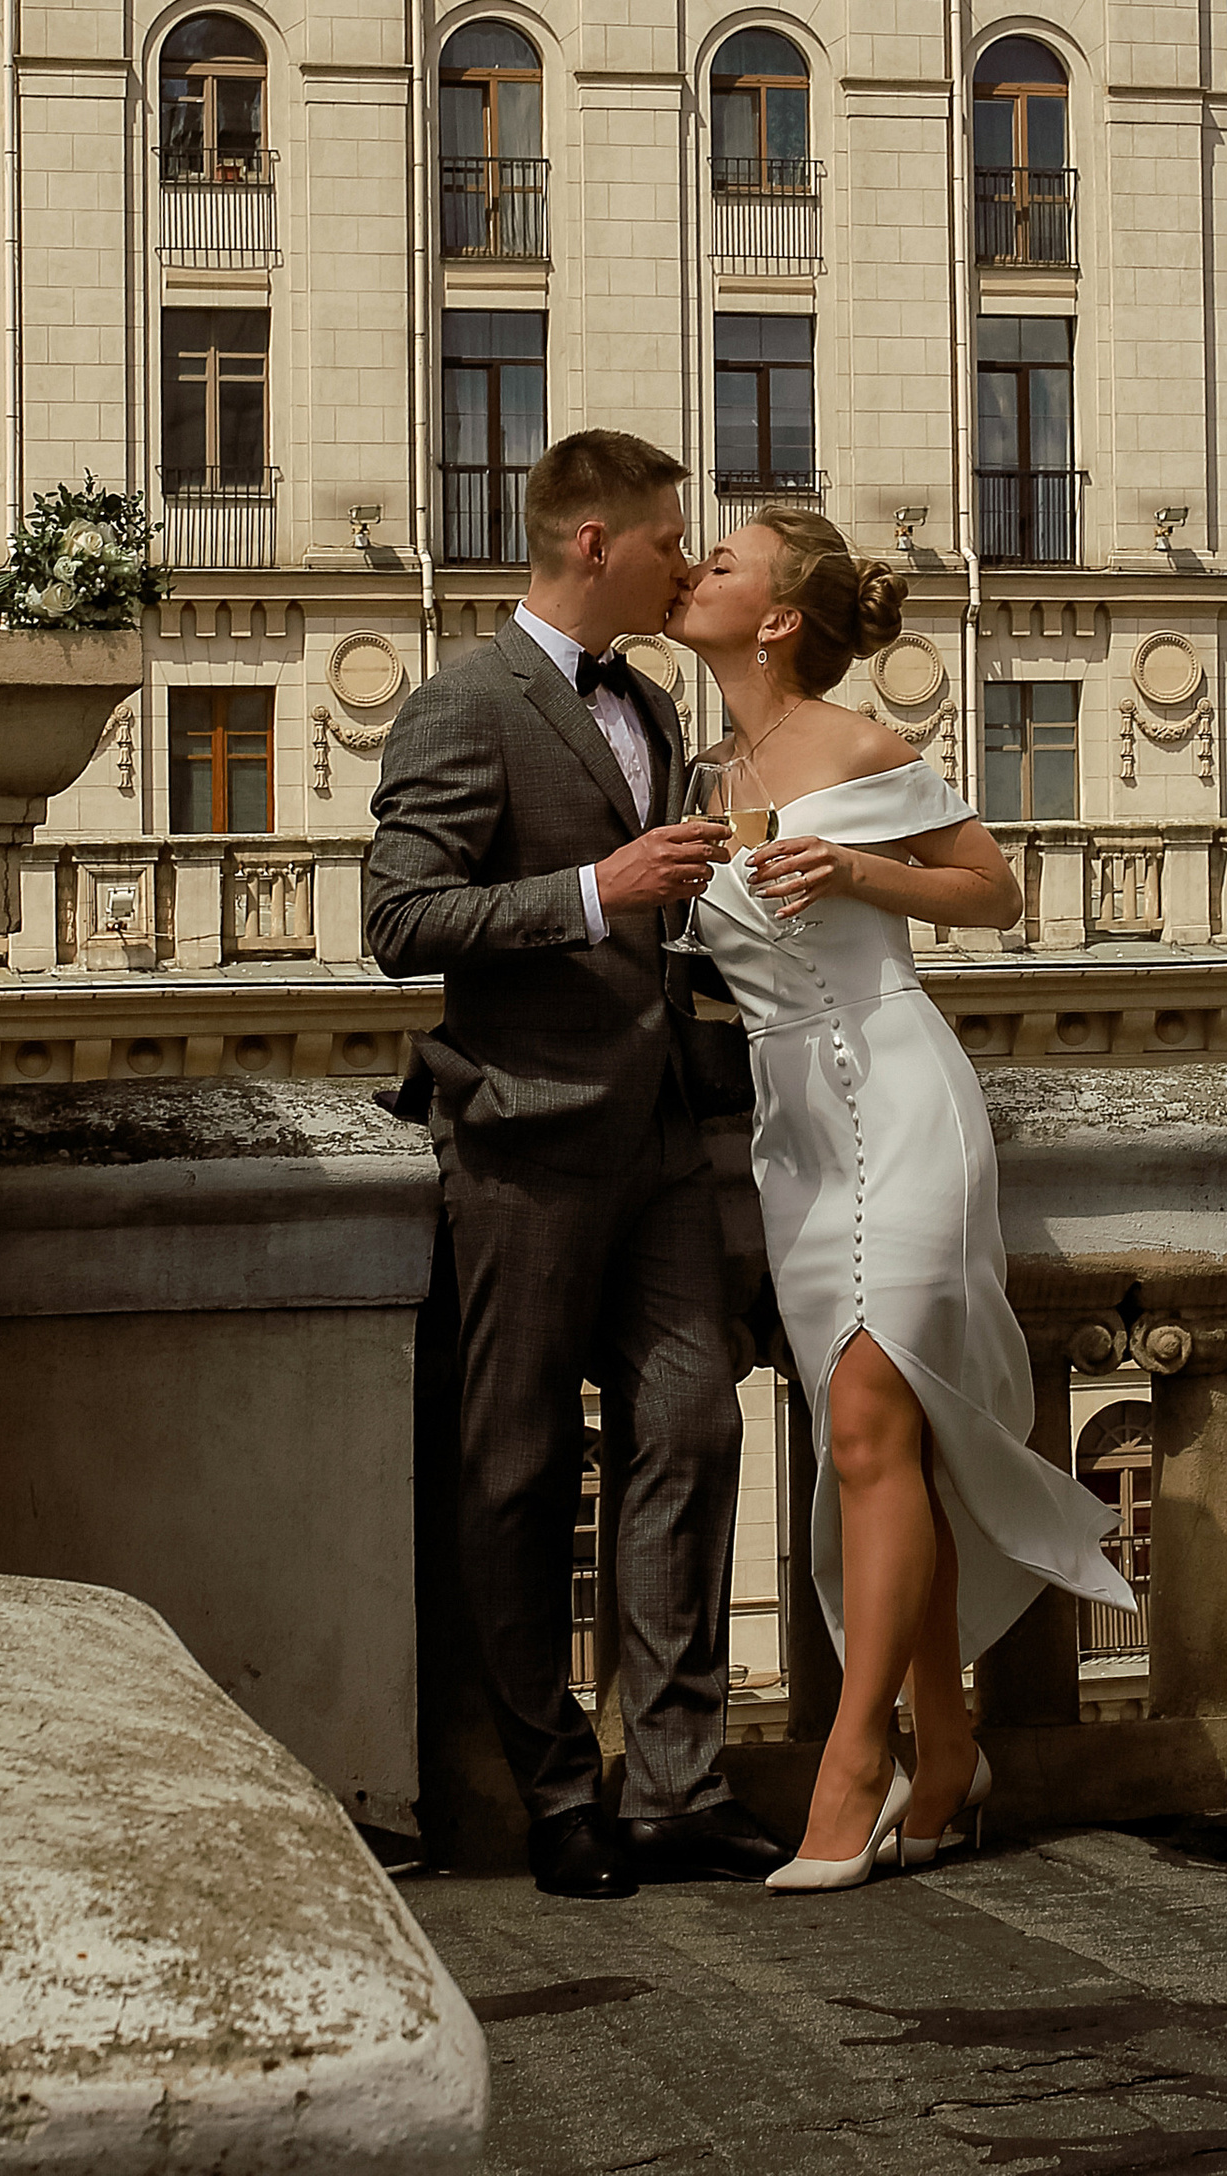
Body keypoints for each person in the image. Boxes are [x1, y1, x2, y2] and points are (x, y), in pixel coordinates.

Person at [674, 504, 1127, 1891]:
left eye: (725, 562)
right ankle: (947, 1749)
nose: (696, 569)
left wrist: (855, 868)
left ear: (780, 618)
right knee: (891, 1448)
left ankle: (852, 1760)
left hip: (901, 1089)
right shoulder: (708, 763)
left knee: (870, 1426)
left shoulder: (860, 745)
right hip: (795, 1129)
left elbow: (989, 890)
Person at [364, 430, 787, 1900]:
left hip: (662, 1137)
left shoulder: (656, 700)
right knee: (520, 1475)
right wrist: (594, 894)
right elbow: (404, 922)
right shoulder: (461, 707)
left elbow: (660, 911)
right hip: (525, 1141)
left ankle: (676, 1787)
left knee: (697, 1428)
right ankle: (558, 1795)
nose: (689, 556)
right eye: (673, 535)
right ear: (594, 541)